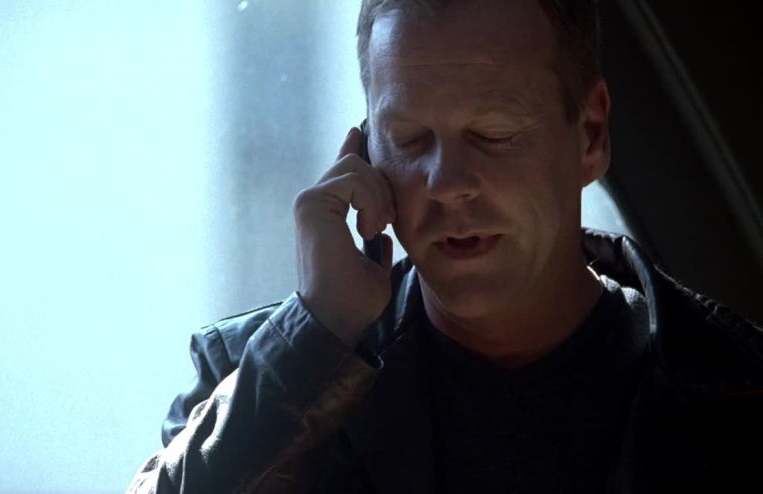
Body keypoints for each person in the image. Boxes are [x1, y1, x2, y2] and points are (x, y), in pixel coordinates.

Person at [128, 0, 763, 492]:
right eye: (408, 139)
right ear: (366, 152)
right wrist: (316, 336)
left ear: (590, 134)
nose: (447, 183)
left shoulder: (741, 392)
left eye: (493, 134)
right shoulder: (255, 381)